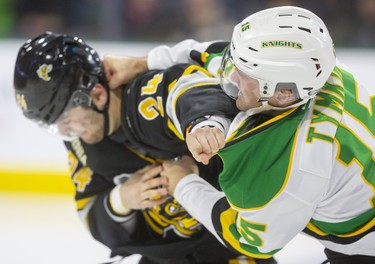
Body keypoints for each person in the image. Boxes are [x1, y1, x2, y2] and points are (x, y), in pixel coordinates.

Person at [104, 6, 375, 264]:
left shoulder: (294, 168)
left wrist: (183, 183)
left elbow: (247, 238)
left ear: (282, 93)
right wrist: (142, 63)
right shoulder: (318, 72)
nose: (231, 74)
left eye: (245, 73)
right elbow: (214, 52)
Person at [13, 32, 276, 264]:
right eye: (56, 126)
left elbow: (188, 89)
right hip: (164, 257)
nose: (67, 133)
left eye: (67, 120)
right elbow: (89, 211)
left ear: (97, 94)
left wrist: (204, 123)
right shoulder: (81, 141)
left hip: (225, 247)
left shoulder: (144, 98)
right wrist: (122, 199)